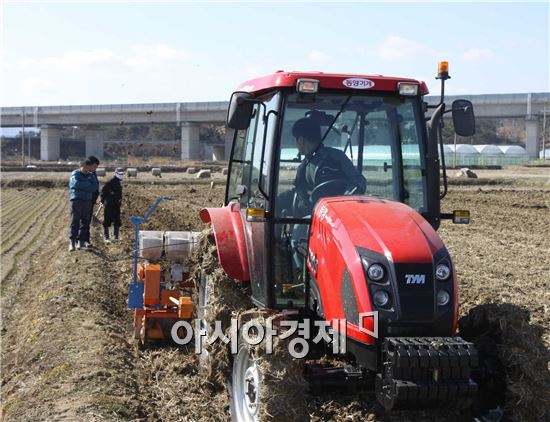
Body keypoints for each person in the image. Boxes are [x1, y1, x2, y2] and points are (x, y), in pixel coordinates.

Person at [283, 117, 366, 216]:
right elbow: (299, 191)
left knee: (299, 230)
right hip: (315, 216)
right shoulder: (303, 167)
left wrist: (344, 202)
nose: (295, 144)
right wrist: (303, 204)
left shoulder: (337, 158)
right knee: (299, 228)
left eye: (295, 140)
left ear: (300, 140)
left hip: (342, 214)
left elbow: (359, 182)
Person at [68, 159, 97, 251]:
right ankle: (72, 242)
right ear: (81, 166)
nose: (86, 170)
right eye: (85, 167)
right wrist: (87, 185)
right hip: (77, 200)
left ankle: (81, 242)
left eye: (88, 168)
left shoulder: (91, 175)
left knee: (85, 222)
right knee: (75, 221)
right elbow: (75, 183)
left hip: (87, 201)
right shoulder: (75, 174)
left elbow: (95, 187)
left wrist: (83, 186)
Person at [100, 168, 124, 242]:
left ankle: (116, 236)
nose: (121, 175)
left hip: (116, 204)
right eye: (120, 174)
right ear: (116, 173)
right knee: (107, 220)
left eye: (122, 174)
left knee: (117, 220)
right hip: (109, 204)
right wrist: (103, 201)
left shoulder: (118, 182)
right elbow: (103, 192)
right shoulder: (110, 182)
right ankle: (106, 237)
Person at [85, 155, 100, 246]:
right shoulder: (84, 174)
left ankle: (85, 240)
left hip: (91, 202)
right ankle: (83, 241)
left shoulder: (92, 174)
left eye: (96, 167)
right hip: (85, 202)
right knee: (84, 222)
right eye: (94, 166)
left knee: (87, 222)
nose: (95, 169)